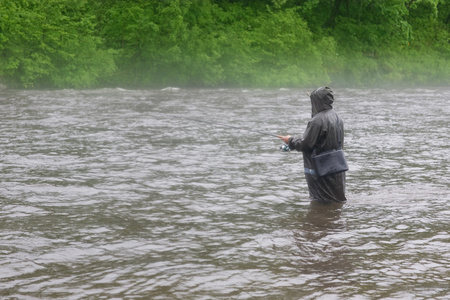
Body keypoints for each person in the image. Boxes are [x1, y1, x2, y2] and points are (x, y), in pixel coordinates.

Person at [279, 87, 347, 203]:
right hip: (337, 169)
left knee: (319, 202)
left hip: (319, 171)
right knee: (336, 201)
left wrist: (289, 140)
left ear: (317, 101)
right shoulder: (337, 118)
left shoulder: (317, 120)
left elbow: (305, 145)